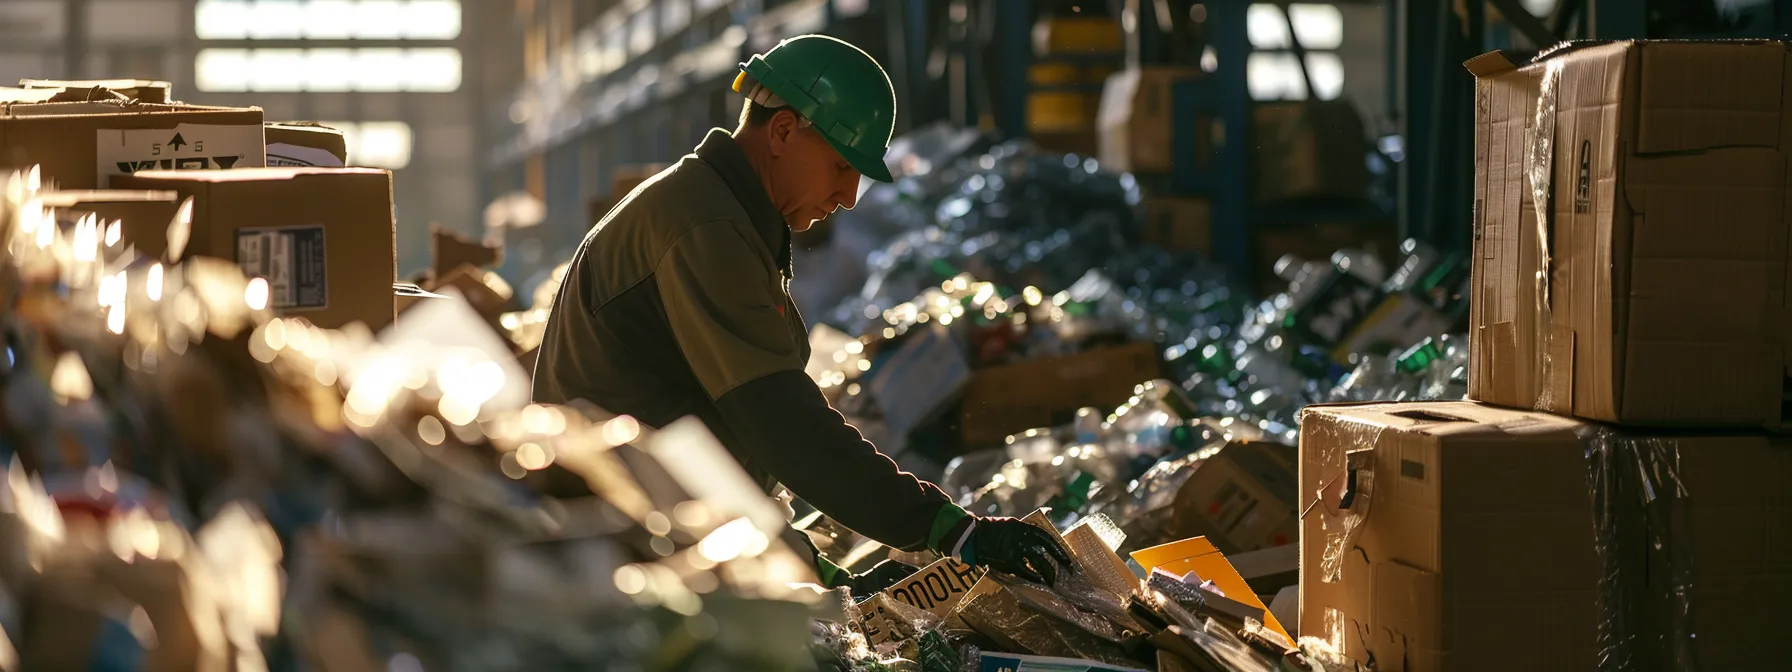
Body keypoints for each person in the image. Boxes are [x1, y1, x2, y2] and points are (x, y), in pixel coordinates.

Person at [531, 34, 1070, 594]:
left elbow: (718, 441)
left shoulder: (717, 212)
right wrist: (950, 530)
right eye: (841, 165)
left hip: (649, 533)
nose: (850, 196)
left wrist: (817, 571)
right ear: (784, 130)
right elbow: (778, 419)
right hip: (620, 551)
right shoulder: (704, 226)